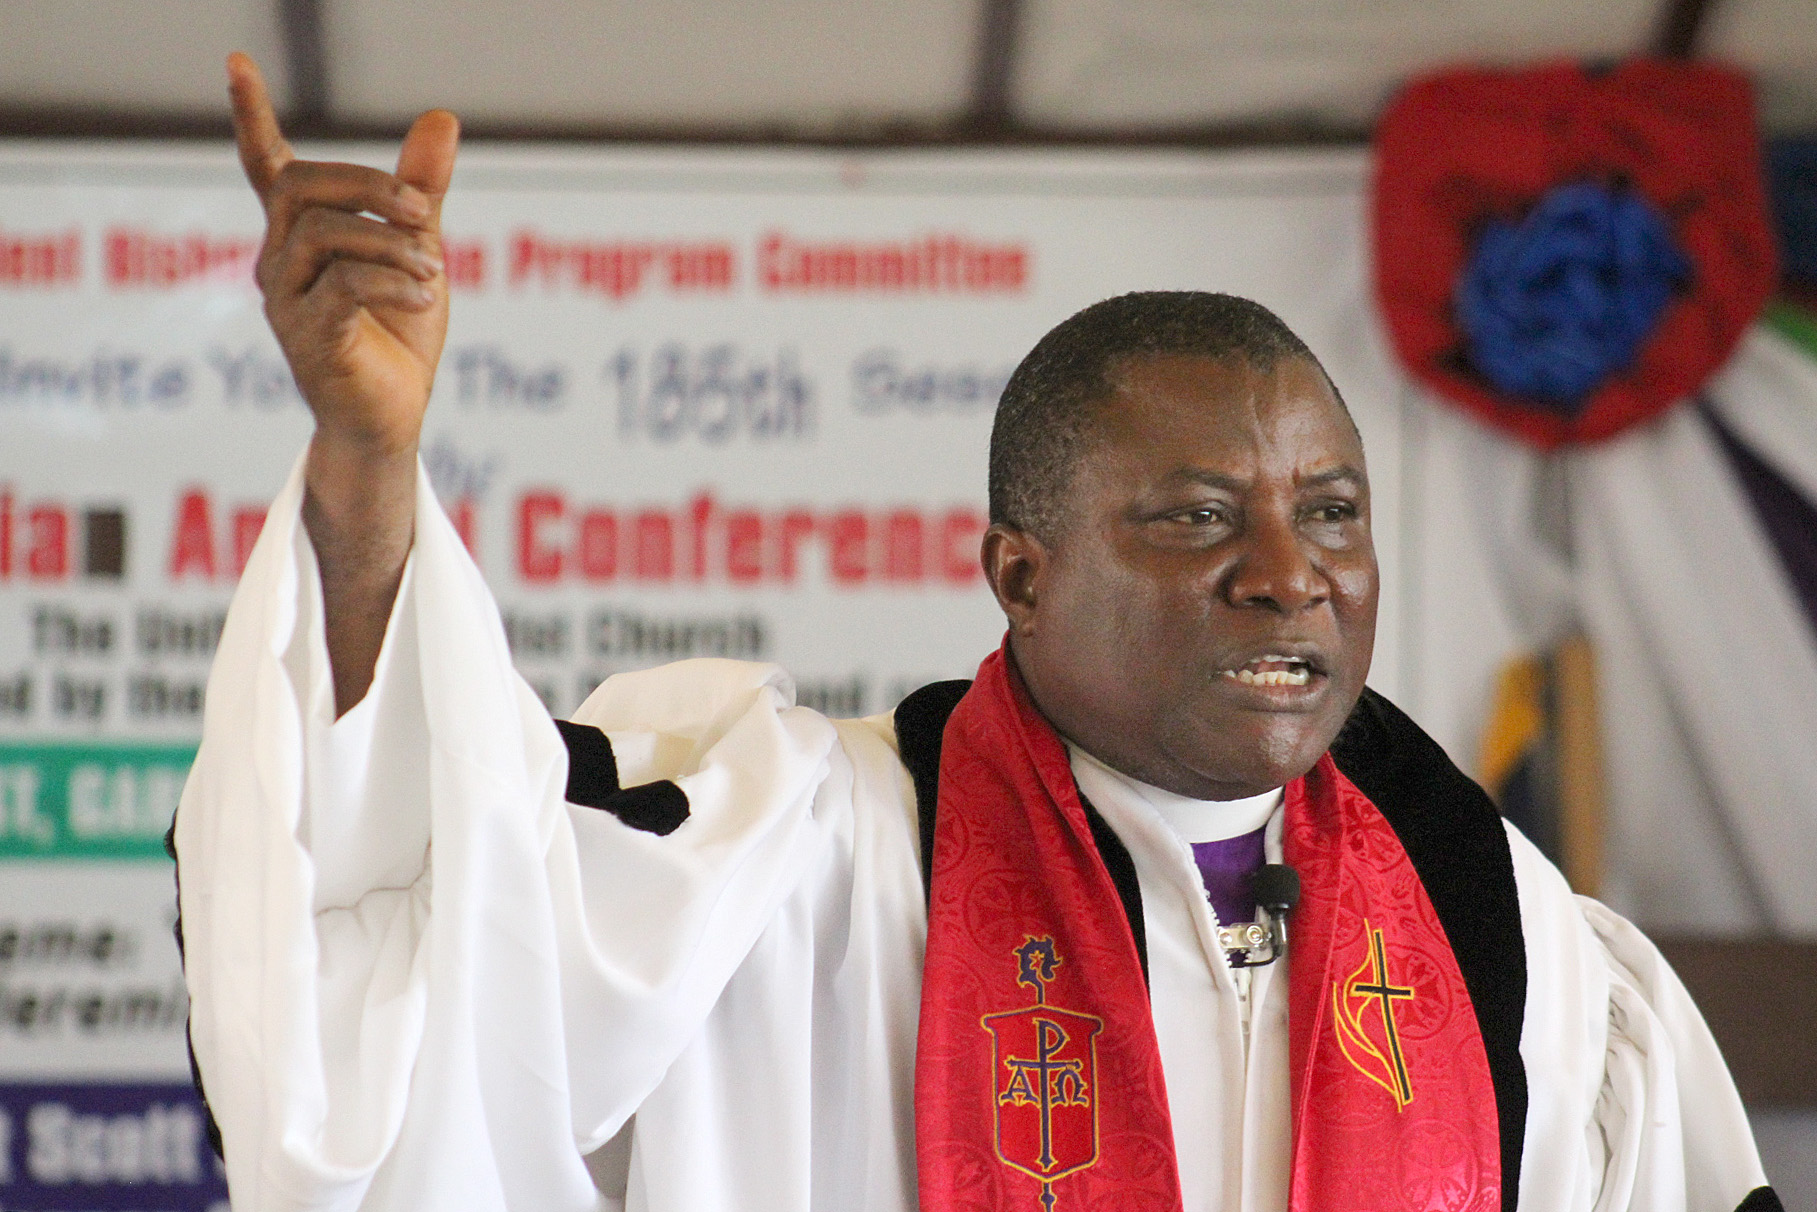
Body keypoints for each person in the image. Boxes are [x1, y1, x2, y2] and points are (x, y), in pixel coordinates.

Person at [172, 53, 1781, 1212]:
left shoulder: (1508, 938)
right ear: (1018, 574)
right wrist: (371, 471)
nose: (1291, 575)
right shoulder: (798, 861)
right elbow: (427, 885)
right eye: (1197, 517)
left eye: (1334, 512)